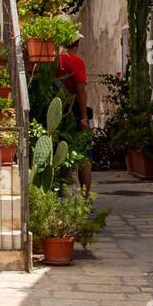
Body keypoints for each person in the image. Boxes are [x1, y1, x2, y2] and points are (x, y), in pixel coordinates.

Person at [55, 31, 92, 192]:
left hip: (55, 111)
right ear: (76, 44)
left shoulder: (53, 61)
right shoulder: (76, 62)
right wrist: (83, 117)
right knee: (83, 155)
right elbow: (81, 90)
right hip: (74, 111)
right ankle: (85, 197)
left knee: (60, 154)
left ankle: (61, 191)